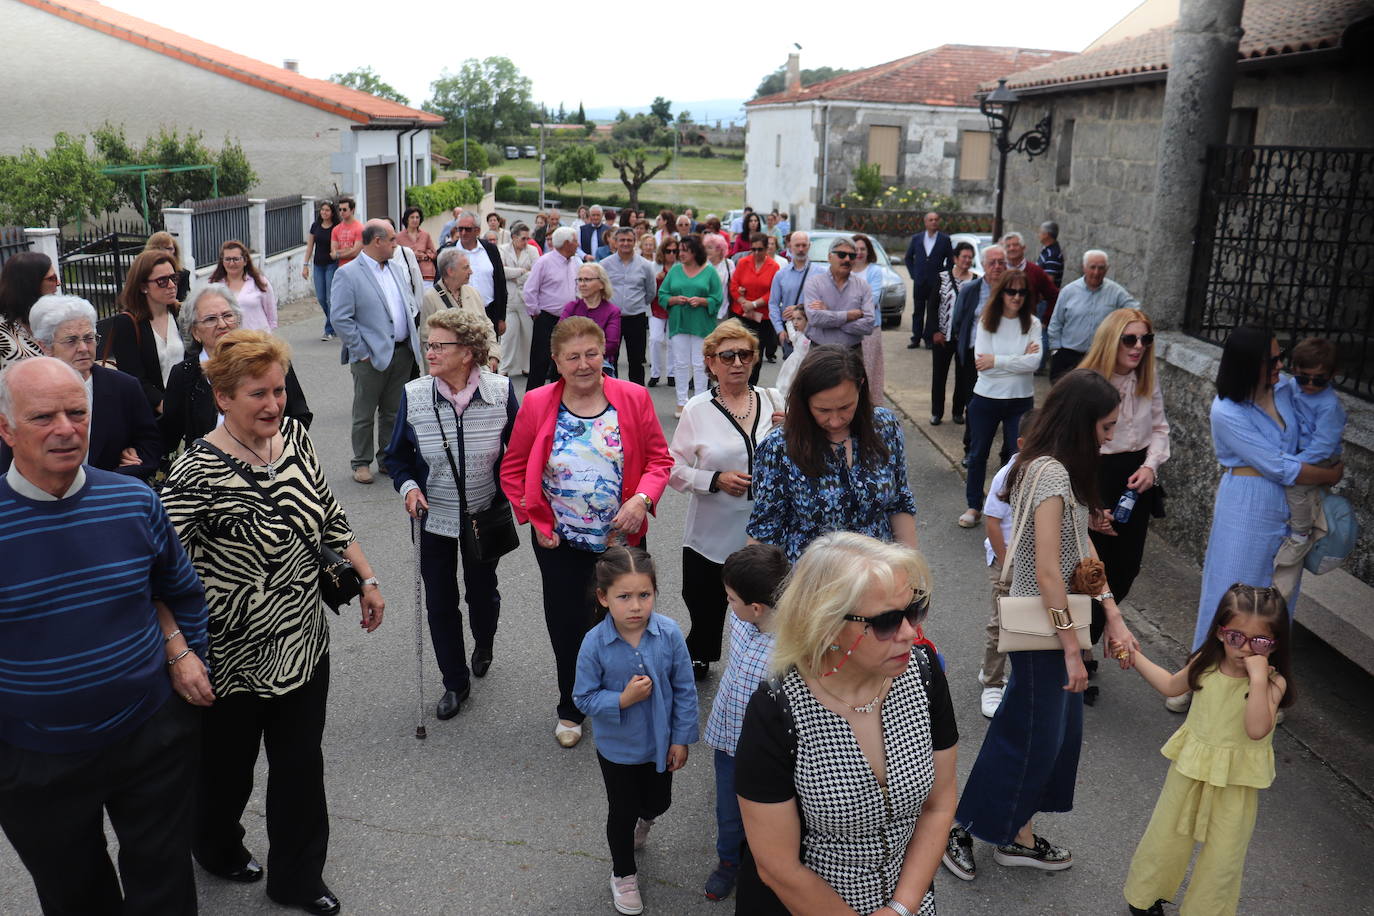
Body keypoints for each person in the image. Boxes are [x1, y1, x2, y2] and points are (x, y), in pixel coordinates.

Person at [161, 330, 386, 916]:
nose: (273, 405)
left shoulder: (293, 441)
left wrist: (365, 576)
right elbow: (156, 574)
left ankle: (297, 876)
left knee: (300, 767)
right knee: (225, 774)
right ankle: (213, 844)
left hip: (305, 641)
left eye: (279, 391)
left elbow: (330, 517)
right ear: (222, 396)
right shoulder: (192, 473)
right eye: (257, 393)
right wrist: (178, 651)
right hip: (229, 657)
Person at [0, 357, 209, 916]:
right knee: (76, 898)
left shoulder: (135, 500)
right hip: (35, 759)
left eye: (77, 412)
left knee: (164, 888)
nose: (66, 429)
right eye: (43, 416)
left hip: (150, 737)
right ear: (6, 429)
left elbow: (181, 592)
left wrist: (187, 670)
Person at [945, 369, 1139, 882]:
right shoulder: (1051, 473)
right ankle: (966, 828)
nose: (1111, 436)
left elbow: (1083, 552)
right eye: (1105, 427)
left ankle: (1016, 832)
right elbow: (1050, 569)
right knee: (1032, 735)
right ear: (1082, 423)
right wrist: (1075, 649)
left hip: (1057, 620)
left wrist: (1112, 615)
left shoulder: (1060, 468)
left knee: (1043, 733)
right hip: (1044, 623)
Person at [735, 532, 957, 915]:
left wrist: (902, 907)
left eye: (914, 609)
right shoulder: (776, 710)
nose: (910, 632)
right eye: (886, 621)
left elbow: (939, 805)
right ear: (827, 625)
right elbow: (777, 867)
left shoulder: (923, 675)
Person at [500, 316, 673, 750]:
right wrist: (537, 522)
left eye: (592, 354)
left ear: (604, 355)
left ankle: (629, 698)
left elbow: (659, 460)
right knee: (568, 625)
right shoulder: (539, 403)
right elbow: (514, 468)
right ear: (556, 361)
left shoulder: (632, 398)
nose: (583, 364)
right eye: (572, 356)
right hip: (561, 543)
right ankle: (572, 705)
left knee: (629, 620)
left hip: (622, 541)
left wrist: (642, 501)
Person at [1174, 327, 1344, 712]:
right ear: (1249, 365)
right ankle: (1197, 680)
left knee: (1277, 599)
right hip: (1246, 504)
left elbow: (1316, 431)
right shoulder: (1227, 410)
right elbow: (1278, 465)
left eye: (1280, 357)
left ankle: (1261, 691)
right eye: (1273, 360)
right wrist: (1330, 475)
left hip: (1290, 506)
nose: (1282, 366)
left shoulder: (1286, 389)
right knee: (1229, 594)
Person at [1121, 584, 1292, 916]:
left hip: (1237, 784)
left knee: (1223, 857)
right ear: (1219, 632)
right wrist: (1133, 655)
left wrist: (1258, 680)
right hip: (1190, 769)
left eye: (1259, 642)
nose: (1244, 649)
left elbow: (1257, 729)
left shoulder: (1273, 682)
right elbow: (1171, 685)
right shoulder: (1206, 663)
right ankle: (1145, 896)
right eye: (1235, 637)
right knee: (1166, 837)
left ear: (1275, 643)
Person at [387, 308, 518, 720]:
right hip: (433, 517)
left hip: (485, 514)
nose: (430, 352)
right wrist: (409, 488)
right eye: (428, 344)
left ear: (468, 352)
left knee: (482, 592)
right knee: (440, 601)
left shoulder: (500, 391)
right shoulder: (414, 395)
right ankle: (454, 681)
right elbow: (396, 459)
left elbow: (518, 453)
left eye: (439, 345)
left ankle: (485, 640)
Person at [573, 547, 699, 916]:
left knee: (659, 802)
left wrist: (681, 738)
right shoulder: (594, 643)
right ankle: (623, 873)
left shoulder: (670, 633)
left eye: (644, 595)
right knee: (621, 812)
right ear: (603, 597)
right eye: (624, 597)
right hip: (618, 750)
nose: (635, 606)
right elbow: (583, 698)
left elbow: (685, 689)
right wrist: (622, 699)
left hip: (660, 745)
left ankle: (647, 819)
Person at [669, 320, 787, 679]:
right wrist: (714, 479)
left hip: (765, 531)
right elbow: (671, 468)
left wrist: (793, 432)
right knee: (705, 606)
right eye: (727, 355)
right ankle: (701, 652)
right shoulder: (697, 409)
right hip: (711, 532)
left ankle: (758, 665)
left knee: (763, 605)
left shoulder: (774, 400)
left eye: (745, 354)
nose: (737, 362)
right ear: (711, 362)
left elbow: (798, 458)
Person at [748, 345, 917, 561]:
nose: (836, 420)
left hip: (880, 576)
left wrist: (912, 570)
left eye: (846, 407)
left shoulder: (884, 427)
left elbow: (899, 502)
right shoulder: (778, 447)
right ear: (804, 401)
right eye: (823, 410)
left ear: (861, 388)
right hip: (813, 582)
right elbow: (765, 532)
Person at [1079, 310, 1171, 660]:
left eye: (1146, 339)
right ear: (1110, 340)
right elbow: (1072, 447)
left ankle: (1099, 628)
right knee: (1089, 569)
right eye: (1130, 339)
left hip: (1136, 482)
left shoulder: (1147, 378)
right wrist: (1087, 503)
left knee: (1126, 567)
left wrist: (1150, 467)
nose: (1139, 347)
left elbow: (1160, 429)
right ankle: (1082, 648)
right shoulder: (1088, 383)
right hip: (1096, 476)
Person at [700, 544, 788, 902]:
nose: (728, 604)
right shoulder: (742, 616)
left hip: (769, 753)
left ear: (756, 608)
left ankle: (767, 865)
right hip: (729, 739)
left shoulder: (793, 647)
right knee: (728, 810)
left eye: (731, 598)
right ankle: (728, 861)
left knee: (770, 816)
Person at [1, 295, 160, 480]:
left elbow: (150, 445)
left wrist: (130, 463)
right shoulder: (23, 394)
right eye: (71, 340)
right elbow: (9, 456)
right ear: (45, 346)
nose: (84, 348)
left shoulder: (124, 387)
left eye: (89, 338)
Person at [161, 284, 312, 462]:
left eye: (227, 315)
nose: (222, 324)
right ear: (195, 332)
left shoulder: (269, 359)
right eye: (210, 319)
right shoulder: (184, 375)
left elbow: (300, 416)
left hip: (270, 463)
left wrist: (271, 448)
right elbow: (168, 435)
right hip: (210, 474)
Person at [330, 219, 423, 484]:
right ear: (377, 241)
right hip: (369, 356)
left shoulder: (394, 268)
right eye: (392, 239)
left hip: (402, 352)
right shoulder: (348, 274)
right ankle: (360, 462)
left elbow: (405, 304)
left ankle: (387, 459)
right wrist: (361, 351)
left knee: (393, 412)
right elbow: (340, 318)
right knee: (364, 412)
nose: (397, 244)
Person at [960, 269, 1041, 528]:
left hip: (1020, 399)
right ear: (1001, 293)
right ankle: (974, 506)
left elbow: (1035, 363)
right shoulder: (987, 321)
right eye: (1011, 291)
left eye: (1022, 292)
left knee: (1017, 455)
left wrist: (997, 360)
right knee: (977, 454)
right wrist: (1019, 359)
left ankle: (1010, 506)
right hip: (987, 398)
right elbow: (980, 361)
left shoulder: (1033, 323)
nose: (1016, 297)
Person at [1273, 337, 1345, 599]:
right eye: (1305, 378)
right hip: (1300, 452)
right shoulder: (1291, 387)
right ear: (1295, 371)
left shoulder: (1329, 405)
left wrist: (1296, 463)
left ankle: (1300, 532)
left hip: (1319, 456)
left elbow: (1324, 445)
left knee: (1297, 486)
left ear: (1332, 376)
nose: (1311, 385)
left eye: (1320, 379)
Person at [977, 410, 1037, 719]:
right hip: (1007, 562)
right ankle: (992, 682)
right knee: (1000, 625)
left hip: (1035, 564)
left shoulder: (1049, 474)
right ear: (1022, 443)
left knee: (1027, 625)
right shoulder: (1008, 474)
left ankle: (1014, 679)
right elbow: (992, 523)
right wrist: (1004, 564)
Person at [108, 249, 184, 413]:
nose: (171, 285)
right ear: (143, 286)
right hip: (151, 415)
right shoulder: (127, 323)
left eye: (174, 278)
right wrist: (163, 405)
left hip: (185, 410)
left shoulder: (181, 314)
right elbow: (133, 377)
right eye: (162, 281)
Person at [1047, 249, 1139, 381]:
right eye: (1092, 267)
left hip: (1100, 357)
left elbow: (1136, 312)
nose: (1096, 272)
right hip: (1069, 356)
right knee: (1064, 397)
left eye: (1101, 268)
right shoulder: (1069, 291)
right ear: (1084, 268)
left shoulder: (1116, 292)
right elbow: (1056, 322)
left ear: (1107, 269)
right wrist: (1056, 351)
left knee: (1095, 398)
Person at [659, 234, 722, 418]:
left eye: (685, 250)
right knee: (680, 363)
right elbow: (662, 294)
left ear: (695, 252)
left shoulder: (709, 271)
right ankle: (681, 402)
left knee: (700, 363)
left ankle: (700, 401)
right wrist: (674, 299)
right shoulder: (675, 270)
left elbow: (717, 298)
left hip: (702, 324)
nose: (680, 254)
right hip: (679, 323)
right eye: (680, 250)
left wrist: (703, 301)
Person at [523, 226, 581, 390]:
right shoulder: (544, 262)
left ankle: (558, 402)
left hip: (568, 320)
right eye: (575, 241)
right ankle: (532, 404)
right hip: (546, 318)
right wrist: (535, 313)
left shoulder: (575, 262)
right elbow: (530, 290)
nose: (578, 244)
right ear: (566, 243)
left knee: (563, 364)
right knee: (540, 363)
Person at [420, 248, 499, 366]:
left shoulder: (472, 293)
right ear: (450, 271)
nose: (471, 271)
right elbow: (427, 340)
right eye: (466, 267)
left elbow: (487, 326)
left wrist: (493, 355)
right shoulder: (431, 297)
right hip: (450, 370)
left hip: (477, 366)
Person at [926, 240, 976, 425]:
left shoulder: (976, 280)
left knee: (963, 377)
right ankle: (936, 412)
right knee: (939, 375)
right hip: (942, 336)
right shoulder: (942, 277)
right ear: (955, 258)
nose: (967, 260)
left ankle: (957, 412)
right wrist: (934, 331)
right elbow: (932, 306)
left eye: (970, 257)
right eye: (964, 256)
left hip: (965, 339)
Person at [600, 226, 657, 385]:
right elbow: (600, 289)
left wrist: (636, 304)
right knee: (610, 359)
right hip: (612, 318)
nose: (625, 243)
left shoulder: (645, 265)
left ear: (635, 242)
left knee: (636, 360)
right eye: (622, 240)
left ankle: (637, 397)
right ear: (615, 242)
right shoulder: (604, 264)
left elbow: (651, 292)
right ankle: (611, 394)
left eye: (629, 240)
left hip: (636, 318)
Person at [801, 237, 875, 350]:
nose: (847, 259)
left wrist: (829, 313)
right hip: (820, 351)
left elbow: (868, 325)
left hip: (852, 352)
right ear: (829, 257)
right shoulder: (814, 283)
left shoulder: (863, 286)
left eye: (852, 256)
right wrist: (848, 316)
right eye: (841, 254)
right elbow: (815, 318)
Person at [731, 232, 781, 385]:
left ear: (767, 249)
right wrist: (743, 301)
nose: (756, 253)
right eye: (753, 249)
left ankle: (751, 388)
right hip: (742, 314)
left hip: (762, 317)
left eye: (760, 249)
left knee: (756, 355)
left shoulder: (774, 266)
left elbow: (772, 292)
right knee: (738, 351)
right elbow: (733, 285)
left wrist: (753, 304)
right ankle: (736, 383)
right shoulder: (743, 262)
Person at [447, 212, 508, 333]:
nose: (463, 233)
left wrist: (501, 318)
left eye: (468, 229)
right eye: (460, 229)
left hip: (488, 313)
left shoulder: (490, 250)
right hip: (458, 315)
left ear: (477, 230)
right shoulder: (448, 252)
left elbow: (500, 283)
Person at [903, 211, 954, 348]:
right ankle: (916, 338)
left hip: (936, 282)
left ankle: (929, 338)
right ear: (925, 222)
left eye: (936, 219)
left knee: (933, 311)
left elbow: (950, 260)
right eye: (930, 220)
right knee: (918, 311)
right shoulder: (917, 238)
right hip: (920, 281)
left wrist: (944, 275)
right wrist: (913, 274)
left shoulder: (944, 239)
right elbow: (908, 258)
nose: (934, 222)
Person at [0, 251, 58, 370]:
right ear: (30, 284)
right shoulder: (3, 332)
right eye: (52, 278)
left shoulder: (53, 320)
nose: (58, 283)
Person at [562, 262, 623, 368]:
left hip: (601, 366)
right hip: (572, 365)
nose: (582, 284)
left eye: (587, 280)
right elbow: (561, 337)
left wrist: (579, 351)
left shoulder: (612, 311)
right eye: (580, 280)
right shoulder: (571, 307)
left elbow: (611, 345)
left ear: (601, 284)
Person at [209, 240, 277, 332]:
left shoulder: (259, 282)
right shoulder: (214, 285)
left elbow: (271, 315)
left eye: (236, 259)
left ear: (245, 261)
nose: (231, 263)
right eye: (227, 259)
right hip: (228, 339)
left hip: (257, 339)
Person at [499, 222, 538, 377]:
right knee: (508, 336)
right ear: (514, 237)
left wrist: (514, 276)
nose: (526, 242)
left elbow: (536, 273)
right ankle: (504, 368)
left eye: (528, 238)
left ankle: (527, 367)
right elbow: (501, 272)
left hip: (526, 300)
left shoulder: (533, 250)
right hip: (509, 299)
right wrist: (522, 271)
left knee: (528, 335)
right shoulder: (502, 249)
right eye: (523, 238)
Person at [769, 231, 815, 361]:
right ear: (790, 247)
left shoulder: (821, 273)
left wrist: (800, 308)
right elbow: (773, 304)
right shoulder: (781, 274)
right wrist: (779, 330)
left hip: (814, 333)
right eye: (797, 245)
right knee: (790, 373)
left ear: (809, 246)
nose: (801, 249)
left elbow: (827, 303)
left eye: (804, 245)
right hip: (790, 333)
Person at [851, 233, 886, 400]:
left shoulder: (874, 271)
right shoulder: (846, 269)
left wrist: (847, 307)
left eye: (863, 249)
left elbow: (874, 299)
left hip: (869, 329)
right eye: (856, 249)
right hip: (847, 328)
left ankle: (872, 408)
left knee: (870, 370)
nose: (859, 252)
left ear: (868, 251)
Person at [303, 200, 339, 340]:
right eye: (322, 210)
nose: (324, 212)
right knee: (321, 298)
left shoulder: (336, 227)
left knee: (330, 299)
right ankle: (334, 322)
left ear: (332, 212)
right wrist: (305, 265)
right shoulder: (315, 226)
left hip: (332, 265)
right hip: (318, 265)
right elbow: (310, 247)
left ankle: (329, 329)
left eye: (327, 210)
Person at [648, 238, 678, 387]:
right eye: (668, 251)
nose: (671, 254)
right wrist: (655, 279)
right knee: (655, 339)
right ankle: (655, 373)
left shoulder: (680, 267)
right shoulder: (654, 266)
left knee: (673, 342)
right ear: (663, 251)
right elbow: (646, 286)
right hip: (656, 307)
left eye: (674, 251)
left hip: (675, 307)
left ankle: (671, 374)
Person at [146, 231, 192, 302]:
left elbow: (185, 303)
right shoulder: (143, 273)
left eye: (169, 249)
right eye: (161, 248)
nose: (166, 253)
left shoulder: (183, 274)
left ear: (175, 251)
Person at [397, 206, 438, 283]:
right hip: (407, 274)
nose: (415, 220)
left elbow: (434, 254)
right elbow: (395, 256)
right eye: (412, 217)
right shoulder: (398, 237)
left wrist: (425, 256)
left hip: (426, 274)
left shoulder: (425, 235)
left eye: (417, 217)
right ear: (407, 219)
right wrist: (412, 255)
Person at [329, 195, 364, 267]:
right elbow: (333, 253)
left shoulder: (360, 228)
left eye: (344, 209)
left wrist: (338, 254)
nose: (341, 212)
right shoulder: (336, 229)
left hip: (357, 267)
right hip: (342, 268)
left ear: (352, 210)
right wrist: (348, 250)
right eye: (340, 209)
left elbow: (356, 252)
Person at [1036, 221, 1064, 287]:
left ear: (1046, 234)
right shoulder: (1048, 250)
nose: (1038, 235)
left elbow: (1049, 281)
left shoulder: (1053, 254)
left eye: (1040, 232)